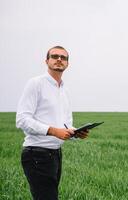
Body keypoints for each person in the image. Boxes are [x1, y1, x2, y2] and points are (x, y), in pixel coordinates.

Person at [16, 46, 88, 200]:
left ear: (67, 64)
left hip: (55, 154)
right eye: (55, 56)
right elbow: (22, 119)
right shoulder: (35, 83)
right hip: (36, 154)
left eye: (64, 58)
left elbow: (65, 126)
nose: (59, 59)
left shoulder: (64, 90)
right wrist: (54, 131)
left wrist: (76, 133)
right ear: (46, 60)